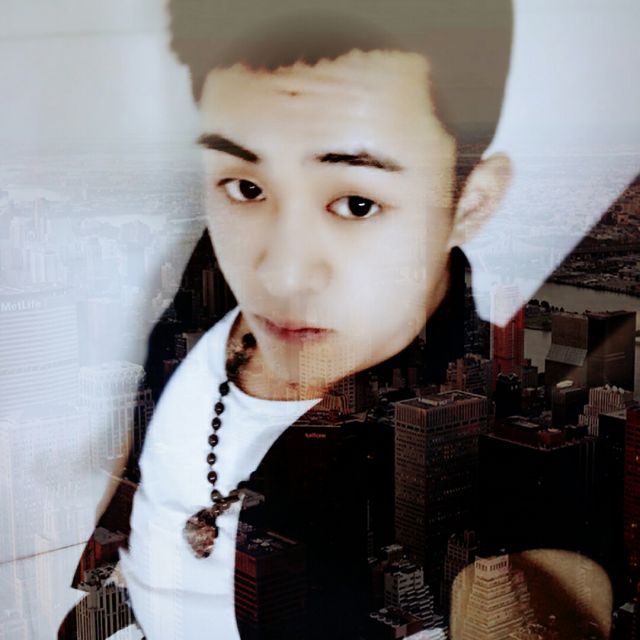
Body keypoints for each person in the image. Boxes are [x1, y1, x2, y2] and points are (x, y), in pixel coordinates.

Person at [60, 1, 613, 638]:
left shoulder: (520, 510)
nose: (283, 272)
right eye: (246, 188)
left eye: (356, 204)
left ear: (471, 204)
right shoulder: (171, 364)